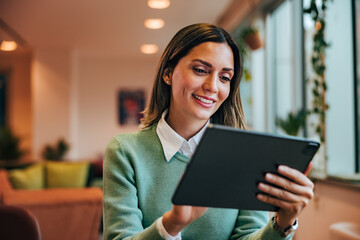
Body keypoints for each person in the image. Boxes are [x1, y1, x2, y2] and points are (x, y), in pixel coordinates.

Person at [103, 23, 314, 240]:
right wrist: (172, 225)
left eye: (224, 77)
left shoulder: (244, 155)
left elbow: (248, 235)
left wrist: (283, 223)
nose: (212, 86)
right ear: (168, 73)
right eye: (201, 70)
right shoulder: (125, 151)